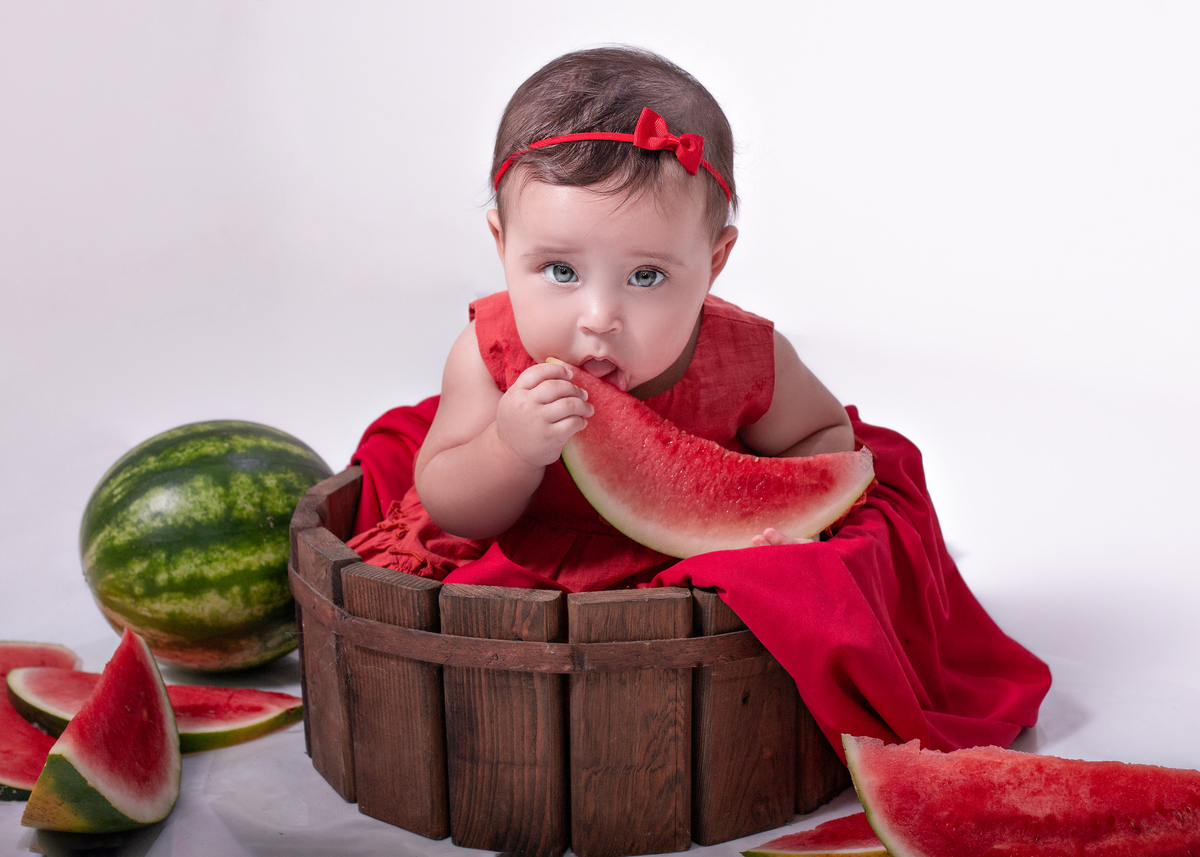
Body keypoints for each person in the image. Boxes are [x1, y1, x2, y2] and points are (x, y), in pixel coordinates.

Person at [348, 46, 1051, 757]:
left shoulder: (744, 357)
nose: (599, 316)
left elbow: (824, 436)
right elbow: (447, 502)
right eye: (560, 270)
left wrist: (792, 512)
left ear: (714, 262)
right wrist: (507, 448)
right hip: (524, 593)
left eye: (645, 277)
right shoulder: (490, 352)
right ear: (502, 246)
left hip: (690, 598)